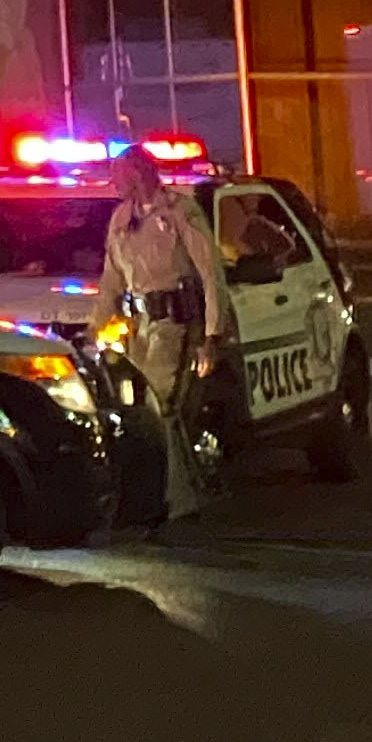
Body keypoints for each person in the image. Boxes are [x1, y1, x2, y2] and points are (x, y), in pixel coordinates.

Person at [104, 145, 230, 520]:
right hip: (137, 328)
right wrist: (98, 331)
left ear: (138, 173)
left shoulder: (179, 211)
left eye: (118, 173)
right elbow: (111, 280)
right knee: (141, 412)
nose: (113, 181)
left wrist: (211, 336)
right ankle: (164, 491)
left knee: (162, 405)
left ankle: (173, 498)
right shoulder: (121, 219)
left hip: (175, 326)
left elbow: (210, 274)